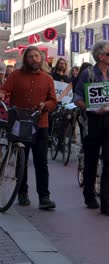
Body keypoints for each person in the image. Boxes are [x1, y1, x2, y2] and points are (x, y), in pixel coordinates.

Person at [0, 46, 58, 209]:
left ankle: (44, 198)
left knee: (41, 162)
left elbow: (53, 101)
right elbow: (5, 90)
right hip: (19, 122)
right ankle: (22, 193)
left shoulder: (47, 79)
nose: (34, 59)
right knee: (20, 160)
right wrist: (2, 94)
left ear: (41, 59)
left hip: (40, 124)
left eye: (37, 56)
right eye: (31, 56)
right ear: (25, 59)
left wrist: (45, 105)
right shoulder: (15, 75)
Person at [73, 40, 109, 216]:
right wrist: (92, 108)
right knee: (91, 159)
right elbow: (77, 97)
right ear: (101, 56)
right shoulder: (87, 74)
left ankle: (107, 202)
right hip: (92, 122)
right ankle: (89, 195)